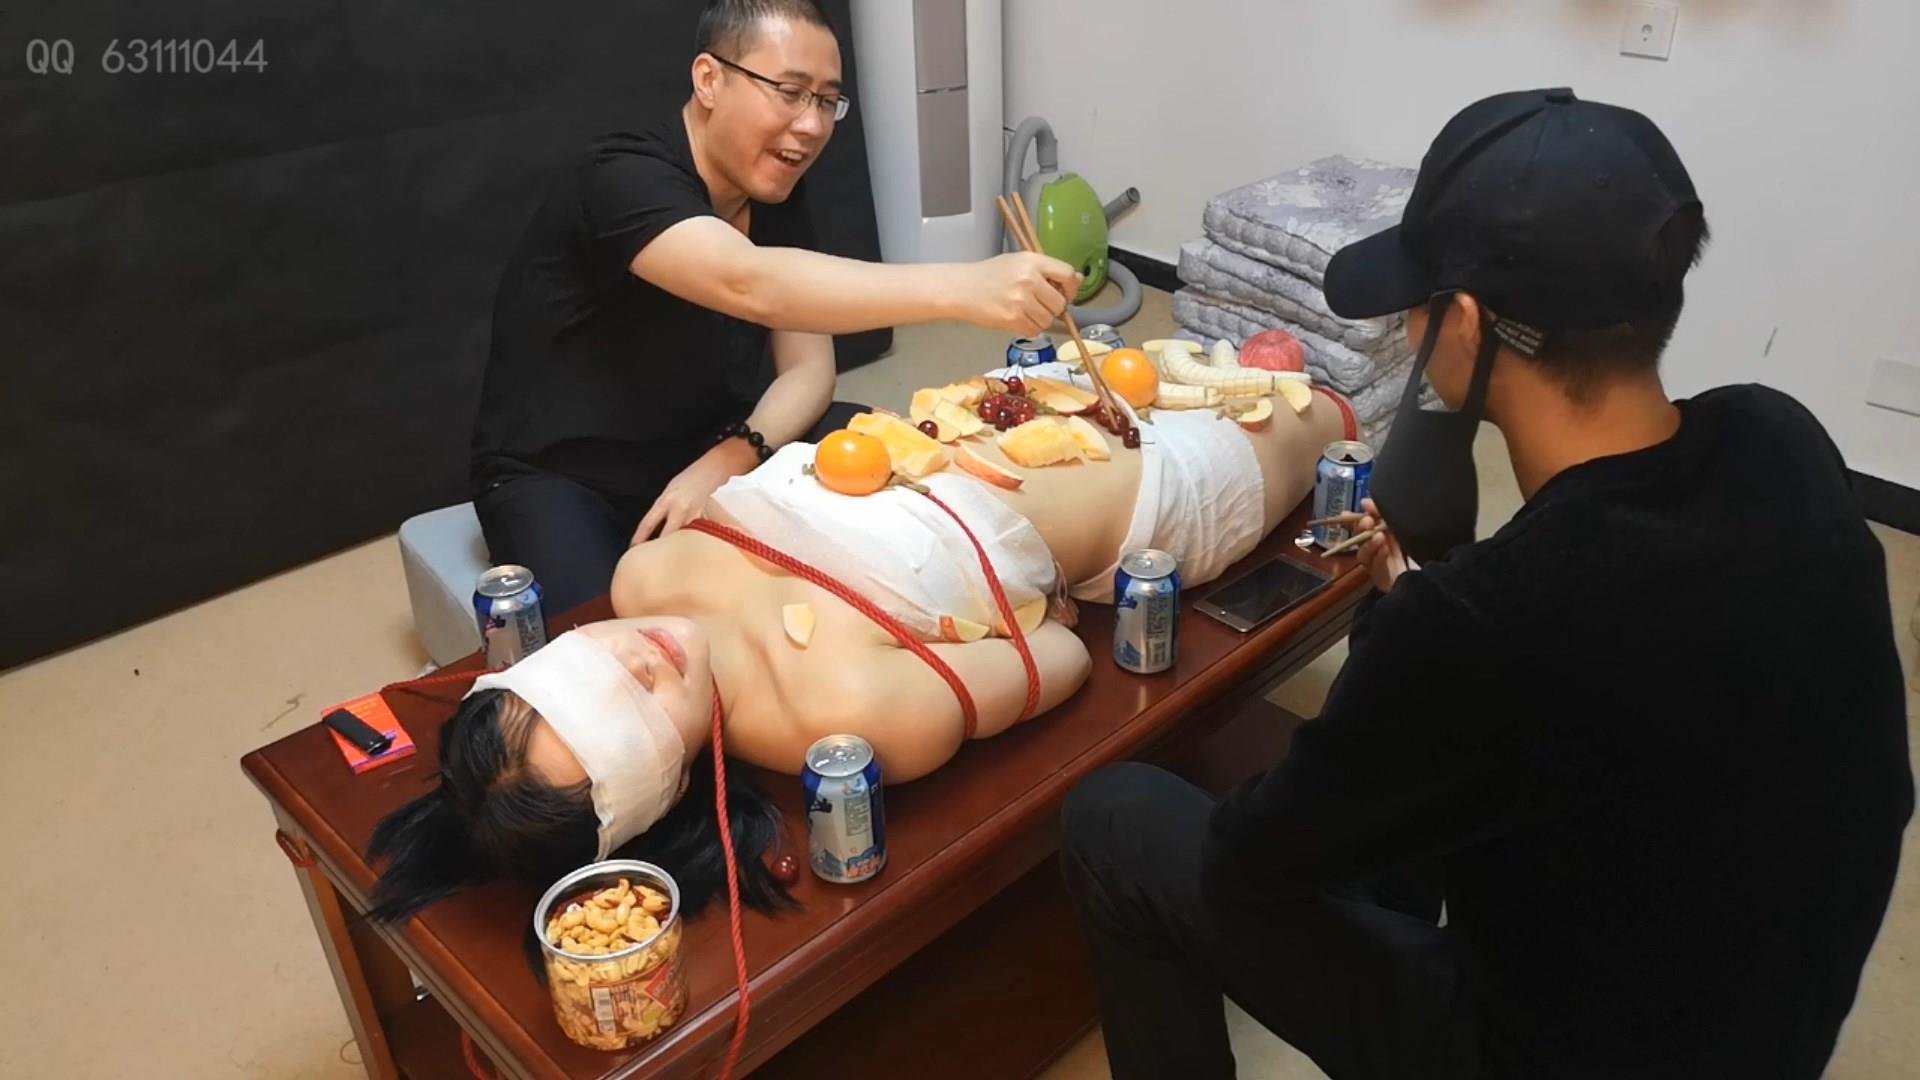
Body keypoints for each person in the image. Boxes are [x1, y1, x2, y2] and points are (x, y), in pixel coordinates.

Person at [1059, 88, 1913, 1080]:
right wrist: (1419, 600)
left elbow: (1251, 860)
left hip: (1543, 1052)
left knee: (1114, 817)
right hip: (1768, 1018)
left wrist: (1413, 628)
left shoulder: (1486, 624)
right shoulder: (1782, 441)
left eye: (1418, 302)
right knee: (1419, 748)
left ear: (1464, 324)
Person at [368, 367, 1355, 922]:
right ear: (658, 786)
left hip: (1018, 398)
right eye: (623, 718)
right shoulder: (843, 714)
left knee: (1222, 356)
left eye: (581, 673)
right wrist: (1032, 587)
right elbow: (1063, 661)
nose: (631, 660)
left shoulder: (641, 579)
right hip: (1156, 491)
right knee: (1323, 401)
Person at [470, 0, 1080, 616]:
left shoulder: (772, 191)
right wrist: (964, 288)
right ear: (709, 79)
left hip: (705, 441)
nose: (811, 125)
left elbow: (809, 370)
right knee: (622, 645)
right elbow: (747, 282)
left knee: (902, 463)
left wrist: (732, 455)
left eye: (827, 101)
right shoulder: (621, 176)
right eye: (790, 92)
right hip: (565, 473)